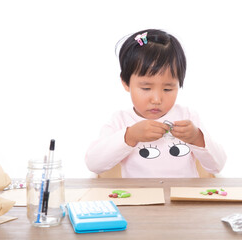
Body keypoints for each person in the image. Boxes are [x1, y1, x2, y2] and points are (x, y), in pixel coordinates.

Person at [85, 29, 226, 178]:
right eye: (146, 88)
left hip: (183, 199)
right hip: (139, 198)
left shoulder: (187, 116)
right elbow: (93, 164)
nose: (157, 99)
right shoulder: (120, 120)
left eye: (168, 88)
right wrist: (130, 136)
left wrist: (197, 137)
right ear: (126, 83)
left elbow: (217, 166)